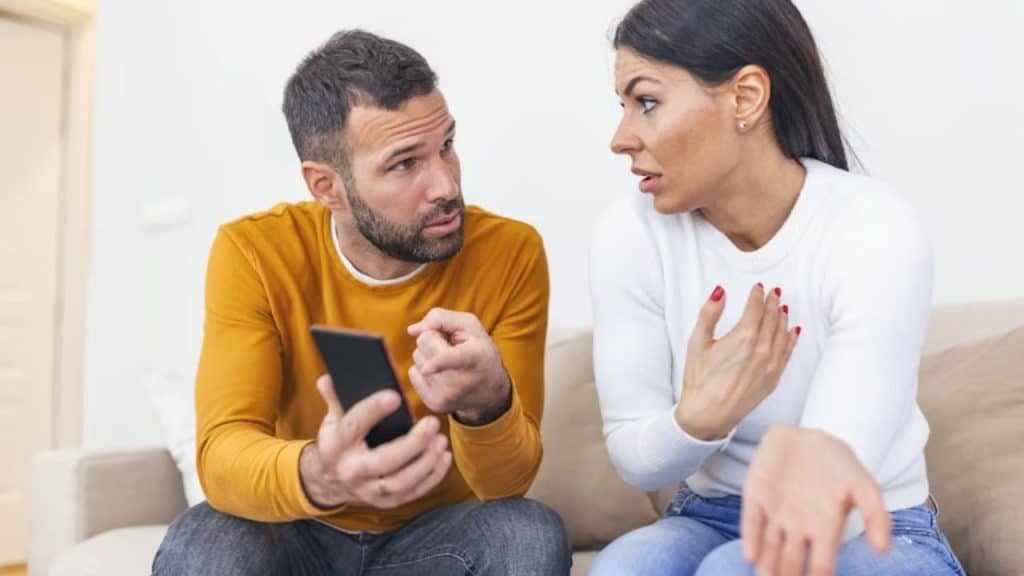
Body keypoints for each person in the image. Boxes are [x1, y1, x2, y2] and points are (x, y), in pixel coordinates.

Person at [152, 29, 570, 576]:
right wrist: (319, 474)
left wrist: (488, 404)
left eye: (446, 144)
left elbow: (505, 484)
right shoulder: (255, 252)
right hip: (298, 531)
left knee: (528, 533)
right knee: (208, 536)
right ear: (327, 187)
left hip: (432, 539)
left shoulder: (511, 252)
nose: (445, 184)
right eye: (404, 164)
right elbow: (223, 455)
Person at [588, 0, 966, 574]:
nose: (621, 138)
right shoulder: (631, 235)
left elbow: (830, 461)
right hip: (710, 513)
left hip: (868, 526)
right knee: (627, 567)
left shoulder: (872, 227)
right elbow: (634, 455)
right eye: (624, 107)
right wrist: (698, 421)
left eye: (647, 103)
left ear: (745, 98)